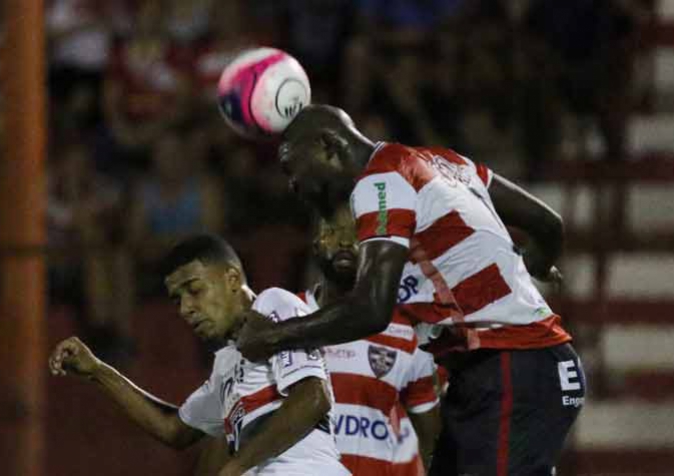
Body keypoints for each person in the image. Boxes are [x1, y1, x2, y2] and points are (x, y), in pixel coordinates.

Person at [237, 105, 585, 475]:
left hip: (512, 365)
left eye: (292, 166)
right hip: (499, 371)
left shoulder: (379, 181)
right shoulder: (443, 161)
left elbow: (371, 309)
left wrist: (274, 337)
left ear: (328, 146)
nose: (292, 184)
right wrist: (533, 262)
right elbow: (548, 224)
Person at [49, 234, 350, 476]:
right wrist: (98, 371)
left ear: (232, 279)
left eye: (194, 289)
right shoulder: (226, 365)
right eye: (177, 299)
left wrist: (237, 466)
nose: (185, 308)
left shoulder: (274, 303)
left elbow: (314, 397)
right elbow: (174, 430)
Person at [304, 204, 441, 475]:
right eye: (332, 232)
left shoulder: (404, 335)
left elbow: (429, 436)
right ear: (315, 245)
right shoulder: (284, 317)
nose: (344, 241)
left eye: (357, 232)